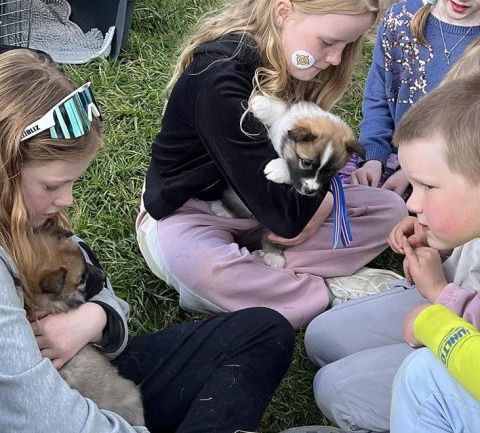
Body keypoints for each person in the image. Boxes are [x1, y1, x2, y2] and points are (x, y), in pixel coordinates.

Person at [0, 48, 295, 433]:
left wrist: (96, 318)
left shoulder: (33, 215)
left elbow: (101, 290)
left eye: (72, 183)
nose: (66, 200)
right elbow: (41, 415)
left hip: (85, 378)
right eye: (53, 185)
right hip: (43, 412)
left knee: (263, 330)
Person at [136, 0, 407, 330]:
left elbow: (296, 195)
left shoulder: (297, 60)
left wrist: (322, 202)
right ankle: (322, 292)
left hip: (270, 207)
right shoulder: (219, 80)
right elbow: (288, 217)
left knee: (390, 211)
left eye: (347, 45)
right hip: (196, 210)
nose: (335, 58)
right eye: (328, 42)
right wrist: (320, 207)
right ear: (283, 11)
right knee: (203, 268)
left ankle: (269, 275)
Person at [303, 41, 480, 432]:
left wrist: (438, 300)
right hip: (449, 305)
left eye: (428, 188)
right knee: (322, 338)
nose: (413, 204)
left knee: (336, 389)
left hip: (461, 342)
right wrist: (439, 239)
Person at [342, 0, 480, 198]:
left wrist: (417, 172)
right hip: (394, 159)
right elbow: (379, 98)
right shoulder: (401, 18)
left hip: (461, 170)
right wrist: (373, 157)